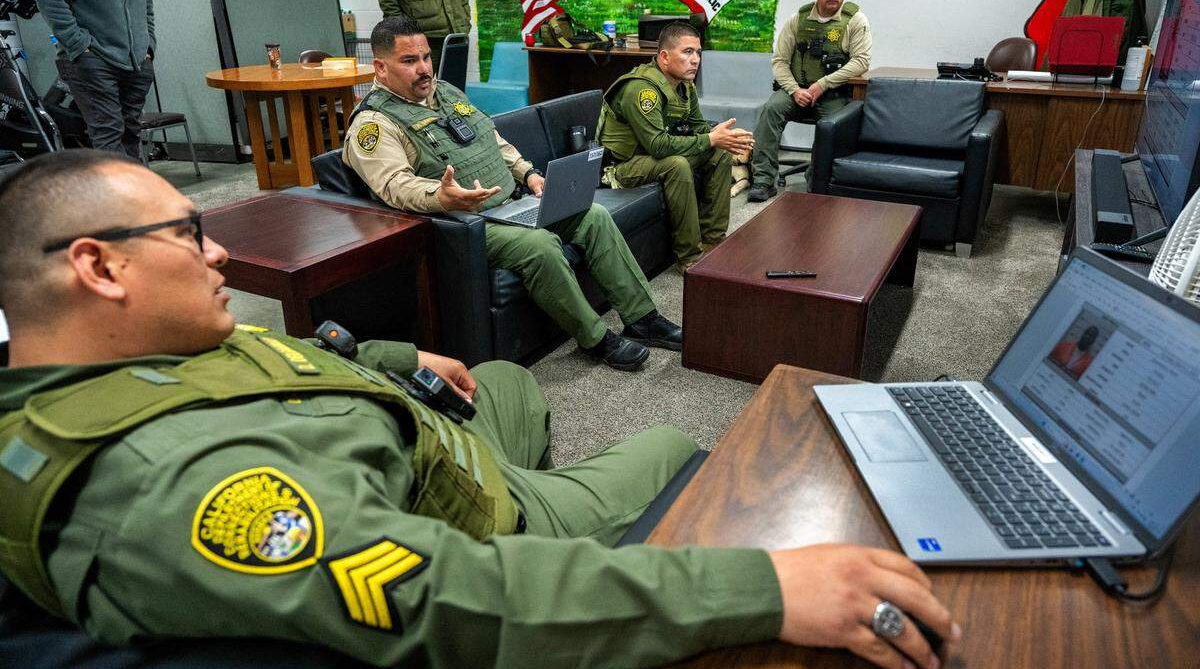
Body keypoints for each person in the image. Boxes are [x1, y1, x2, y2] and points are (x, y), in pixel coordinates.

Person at [0, 149, 960, 669]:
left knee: (505, 381)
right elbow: (446, 597)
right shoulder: (174, 487)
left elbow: (276, 354)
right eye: (189, 233)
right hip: (472, 515)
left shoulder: (133, 357)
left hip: (414, 431)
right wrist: (765, 589)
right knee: (670, 435)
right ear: (98, 264)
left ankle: (545, 468)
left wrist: (394, 353)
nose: (217, 257)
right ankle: (570, 514)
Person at [343, 17, 680, 371]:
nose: (424, 68)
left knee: (592, 215)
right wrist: (443, 196)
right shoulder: (374, 125)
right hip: (462, 225)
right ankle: (596, 338)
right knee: (541, 246)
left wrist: (530, 174)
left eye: (426, 57)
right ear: (380, 68)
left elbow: (493, 141)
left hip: (509, 205)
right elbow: (395, 186)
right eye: (409, 61)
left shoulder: (446, 92)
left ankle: (643, 317)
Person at [597, 23, 754, 273]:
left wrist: (721, 135)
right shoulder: (642, 90)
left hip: (651, 157)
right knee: (676, 164)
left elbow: (697, 126)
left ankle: (712, 239)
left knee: (721, 152)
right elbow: (658, 146)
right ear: (664, 57)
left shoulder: (683, 85)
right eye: (688, 52)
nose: (695, 60)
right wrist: (710, 139)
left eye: (698, 53)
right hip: (622, 167)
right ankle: (689, 258)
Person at [36, 0, 156, 158]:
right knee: (108, 134)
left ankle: (139, 195)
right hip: (93, 62)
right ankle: (120, 198)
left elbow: (146, 8)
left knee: (131, 132)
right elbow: (51, 3)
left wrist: (148, 48)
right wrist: (81, 47)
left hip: (134, 64)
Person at [749, 0, 872, 201]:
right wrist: (795, 90)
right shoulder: (798, 20)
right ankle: (763, 180)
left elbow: (861, 62)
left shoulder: (855, 20)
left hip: (833, 94)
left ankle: (816, 179)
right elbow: (779, 61)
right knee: (770, 110)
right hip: (797, 91)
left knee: (834, 125)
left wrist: (822, 85)